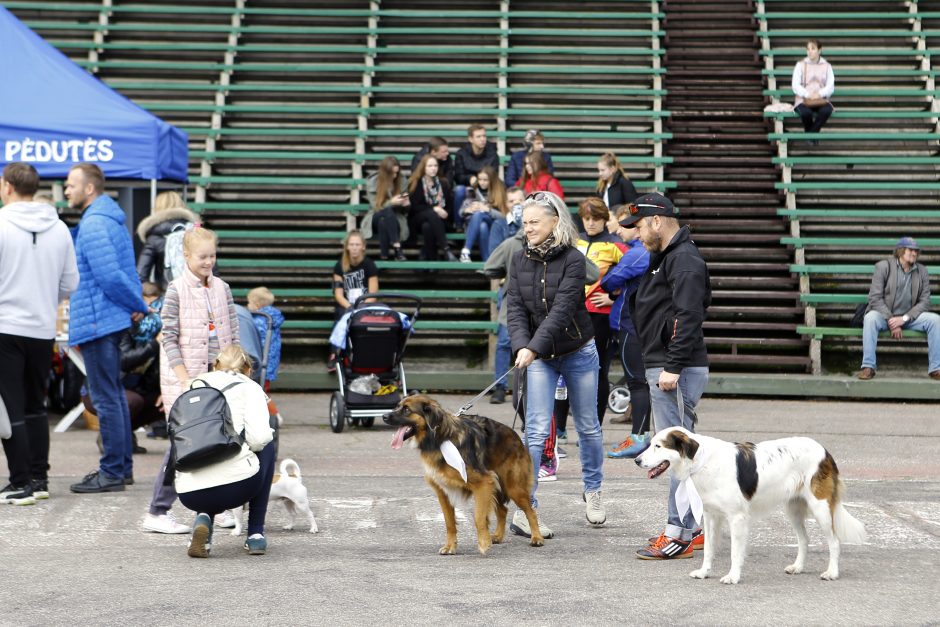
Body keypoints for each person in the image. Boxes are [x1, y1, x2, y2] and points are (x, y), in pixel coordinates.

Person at [506, 190, 606, 538]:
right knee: (534, 432)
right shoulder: (518, 259)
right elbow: (515, 308)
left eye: (534, 222)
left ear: (554, 222)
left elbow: (564, 310)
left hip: (578, 349)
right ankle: (526, 506)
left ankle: (593, 491)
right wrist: (522, 346)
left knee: (588, 425)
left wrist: (531, 347)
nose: (528, 228)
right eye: (525, 222)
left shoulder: (575, 260)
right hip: (538, 356)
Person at [622, 192, 711, 560]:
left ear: (657, 221)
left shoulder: (684, 259)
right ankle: (694, 529)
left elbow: (689, 315)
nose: (638, 234)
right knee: (677, 453)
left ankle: (680, 533)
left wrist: (672, 365)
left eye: (640, 226)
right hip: (667, 363)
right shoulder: (668, 257)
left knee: (675, 456)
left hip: (676, 367)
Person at [144, 226, 240, 532]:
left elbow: (233, 333)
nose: (209, 261)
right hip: (185, 381)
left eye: (212, 255)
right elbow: (168, 338)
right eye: (202, 256)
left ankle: (218, 507)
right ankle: (157, 511)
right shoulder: (175, 290)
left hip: (219, 378)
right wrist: (184, 378)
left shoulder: (222, 288)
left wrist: (236, 369)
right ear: (186, 256)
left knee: (220, 440)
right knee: (183, 445)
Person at [66, 163, 151, 494]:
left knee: (105, 397)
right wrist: (134, 303)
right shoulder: (107, 220)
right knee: (112, 395)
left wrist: (138, 304)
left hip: (99, 320)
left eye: (72, 184)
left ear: (89, 189)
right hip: (106, 317)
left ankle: (112, 471)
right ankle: (122, 468)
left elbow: (111, 276)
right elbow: (123, 273)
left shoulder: (95, 224)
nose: (66, 189)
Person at [0, 163, 79, 506]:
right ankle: (39, 476)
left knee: (9, 406)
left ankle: (19, 481)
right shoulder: (59, 227)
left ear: (6, 187)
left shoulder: (1, 224)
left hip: (5, 325)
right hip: (42, 327)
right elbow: (70, 283)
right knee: (36, 405)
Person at [175, 345, 276, 558]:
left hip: (188, 492)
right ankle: (256, 533)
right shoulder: (251, 387)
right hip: (237, 488)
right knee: (267, 445)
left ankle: (204, 516)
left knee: (204, 450)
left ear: (215, 366)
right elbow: (259, 438)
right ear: (249, 369)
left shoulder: (194, 384)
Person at [603, 205, 652, 458]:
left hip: (631, 326)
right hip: (648, 324)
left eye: (628, 225)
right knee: (642, 381)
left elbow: (608, 282)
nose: (621, 230)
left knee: (638, 381)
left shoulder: (637, 254)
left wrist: (614, 287)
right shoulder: (654, 251)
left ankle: (640, 437)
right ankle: (640, 433)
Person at [858, 236, 940, 380]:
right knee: (870, 318)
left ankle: (935, 369)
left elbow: (925, 301)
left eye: (916, 251)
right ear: (901, 251)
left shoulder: (922, 271)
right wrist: (892, 320)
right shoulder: (883, 267)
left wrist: (903, 319)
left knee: (935, 320)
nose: (914, 253)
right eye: (911, 250)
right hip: (885, 317)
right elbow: (875, 298)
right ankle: (868, 367)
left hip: (909, 318)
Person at [328, 230, 379, 372]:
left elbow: (373, 293)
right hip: (346, 304)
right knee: (341, 315)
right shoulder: (340, 266)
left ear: (363, 246)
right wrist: (350, 307)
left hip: (365, 304)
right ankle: (335, 355)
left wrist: (360, 307)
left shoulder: (369, 265)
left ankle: (366, 357)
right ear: (347, 247)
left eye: (357, 244)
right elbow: (338, 294)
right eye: (352, 244)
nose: (355, 247)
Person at [135, 190, 198, 289]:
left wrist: (153, 291)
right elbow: (212, 269)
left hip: (168, 295)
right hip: (197, 296)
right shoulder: (196, 232)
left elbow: (141, 276)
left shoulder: (154, 237)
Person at [408, 155, 457, 262]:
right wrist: (434, 209)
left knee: (428, 227)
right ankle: (446, 249)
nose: (433, 168)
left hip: (439, 221)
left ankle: (431, 259)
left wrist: (444, 212)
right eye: (430, 166)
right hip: (418, 219)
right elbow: (415, 207)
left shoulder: (443, 183)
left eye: (435, 165)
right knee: (431, 214)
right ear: (423, 168)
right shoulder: (416, 183)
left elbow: (449, 206)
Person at [362, 156, 409, 261]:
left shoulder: (401, 180)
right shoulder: (373, 182)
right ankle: (397, 247)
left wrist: (406, 204)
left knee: (383, 222)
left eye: (396, 173)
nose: (394, 176)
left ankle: (384, 256)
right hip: (375, 215)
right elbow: (376, 207)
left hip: (395, 217)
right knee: (386, 211)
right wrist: (391, 202)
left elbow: (405, 211)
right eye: (392, 173)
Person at [459, 166, 508, 263]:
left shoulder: (500, 191)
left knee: (479, 214)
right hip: (473, 226)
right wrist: (467, 210)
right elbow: (460, 212)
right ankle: (488, 261)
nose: (482, 182)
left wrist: (488, 210)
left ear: (492, 180)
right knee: (482, 226)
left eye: (485, 180)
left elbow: (505, 216)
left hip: (494, 225)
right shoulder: (472, 190)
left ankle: (466, 250)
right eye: (480, 179)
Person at [453, 124, 499, 228]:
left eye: (484, 136)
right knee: (459, 190)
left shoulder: (492, 153)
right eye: (478, 137)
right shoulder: (461, 153)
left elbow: (494, 174)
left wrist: (481, 180)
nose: (482, 139)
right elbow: (458, 176)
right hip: (468, 187)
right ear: (470, 139)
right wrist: (469, 178)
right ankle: (458, 225)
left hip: (487, 186)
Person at [792, 39, 835, 141]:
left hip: (820, 100)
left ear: (819, 50)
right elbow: (795, 85)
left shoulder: (827, 66)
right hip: (803, 100)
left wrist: (819, 94)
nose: (809, 51)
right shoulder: (800, 65)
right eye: (808, 49)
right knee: (806, 113)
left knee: (826, 110)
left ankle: (810, 136)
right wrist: (807, 94)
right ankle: (813, 137)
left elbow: (830, 86)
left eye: (813, 48)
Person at [246, 286, 285, 388]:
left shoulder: (260, 319)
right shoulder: (272, 317)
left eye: (249, 302)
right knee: (264, 384)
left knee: (256, 385)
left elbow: (256, 340)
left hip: (259, 359)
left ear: (257, 304)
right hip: (270, 360)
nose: (247, 305)